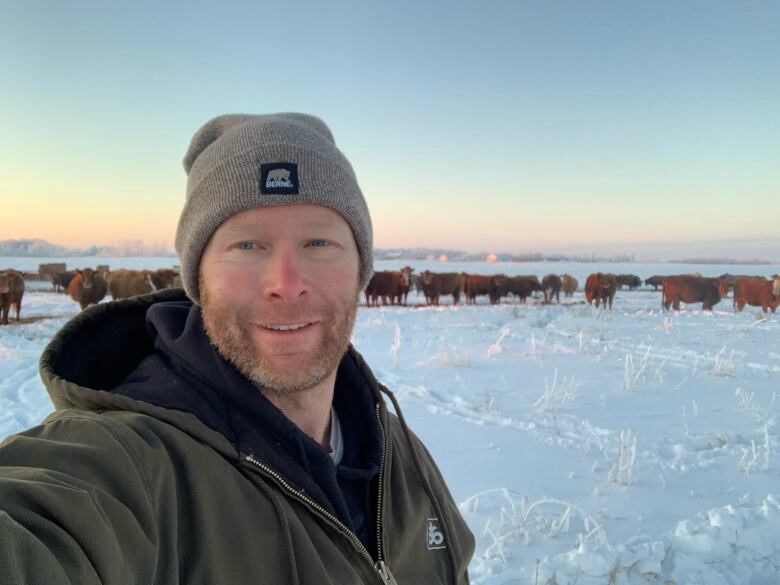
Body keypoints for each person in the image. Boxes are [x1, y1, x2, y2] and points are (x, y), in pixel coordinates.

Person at [0, 113, 474, 584]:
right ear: (197, 277)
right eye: (247, 245)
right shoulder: (130, 464)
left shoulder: (399, 452)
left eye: (319, 242)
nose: (286, 286)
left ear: (361, 270)